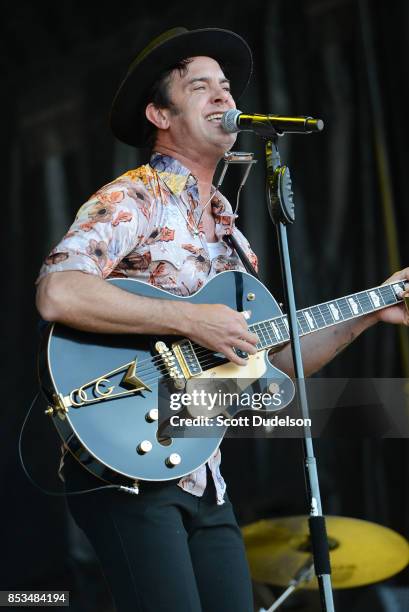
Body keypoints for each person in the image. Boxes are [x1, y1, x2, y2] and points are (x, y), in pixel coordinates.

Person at [36, 27, 409, 612]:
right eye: (200, 86)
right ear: (159, 113)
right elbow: (59, 292)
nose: (223, 97)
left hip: (203, 471)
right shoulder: (136, 197)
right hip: (126, 457)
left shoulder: (233, 238)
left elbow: (278, 367)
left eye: (227, 87)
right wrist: (190, 323)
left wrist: (370, 312)